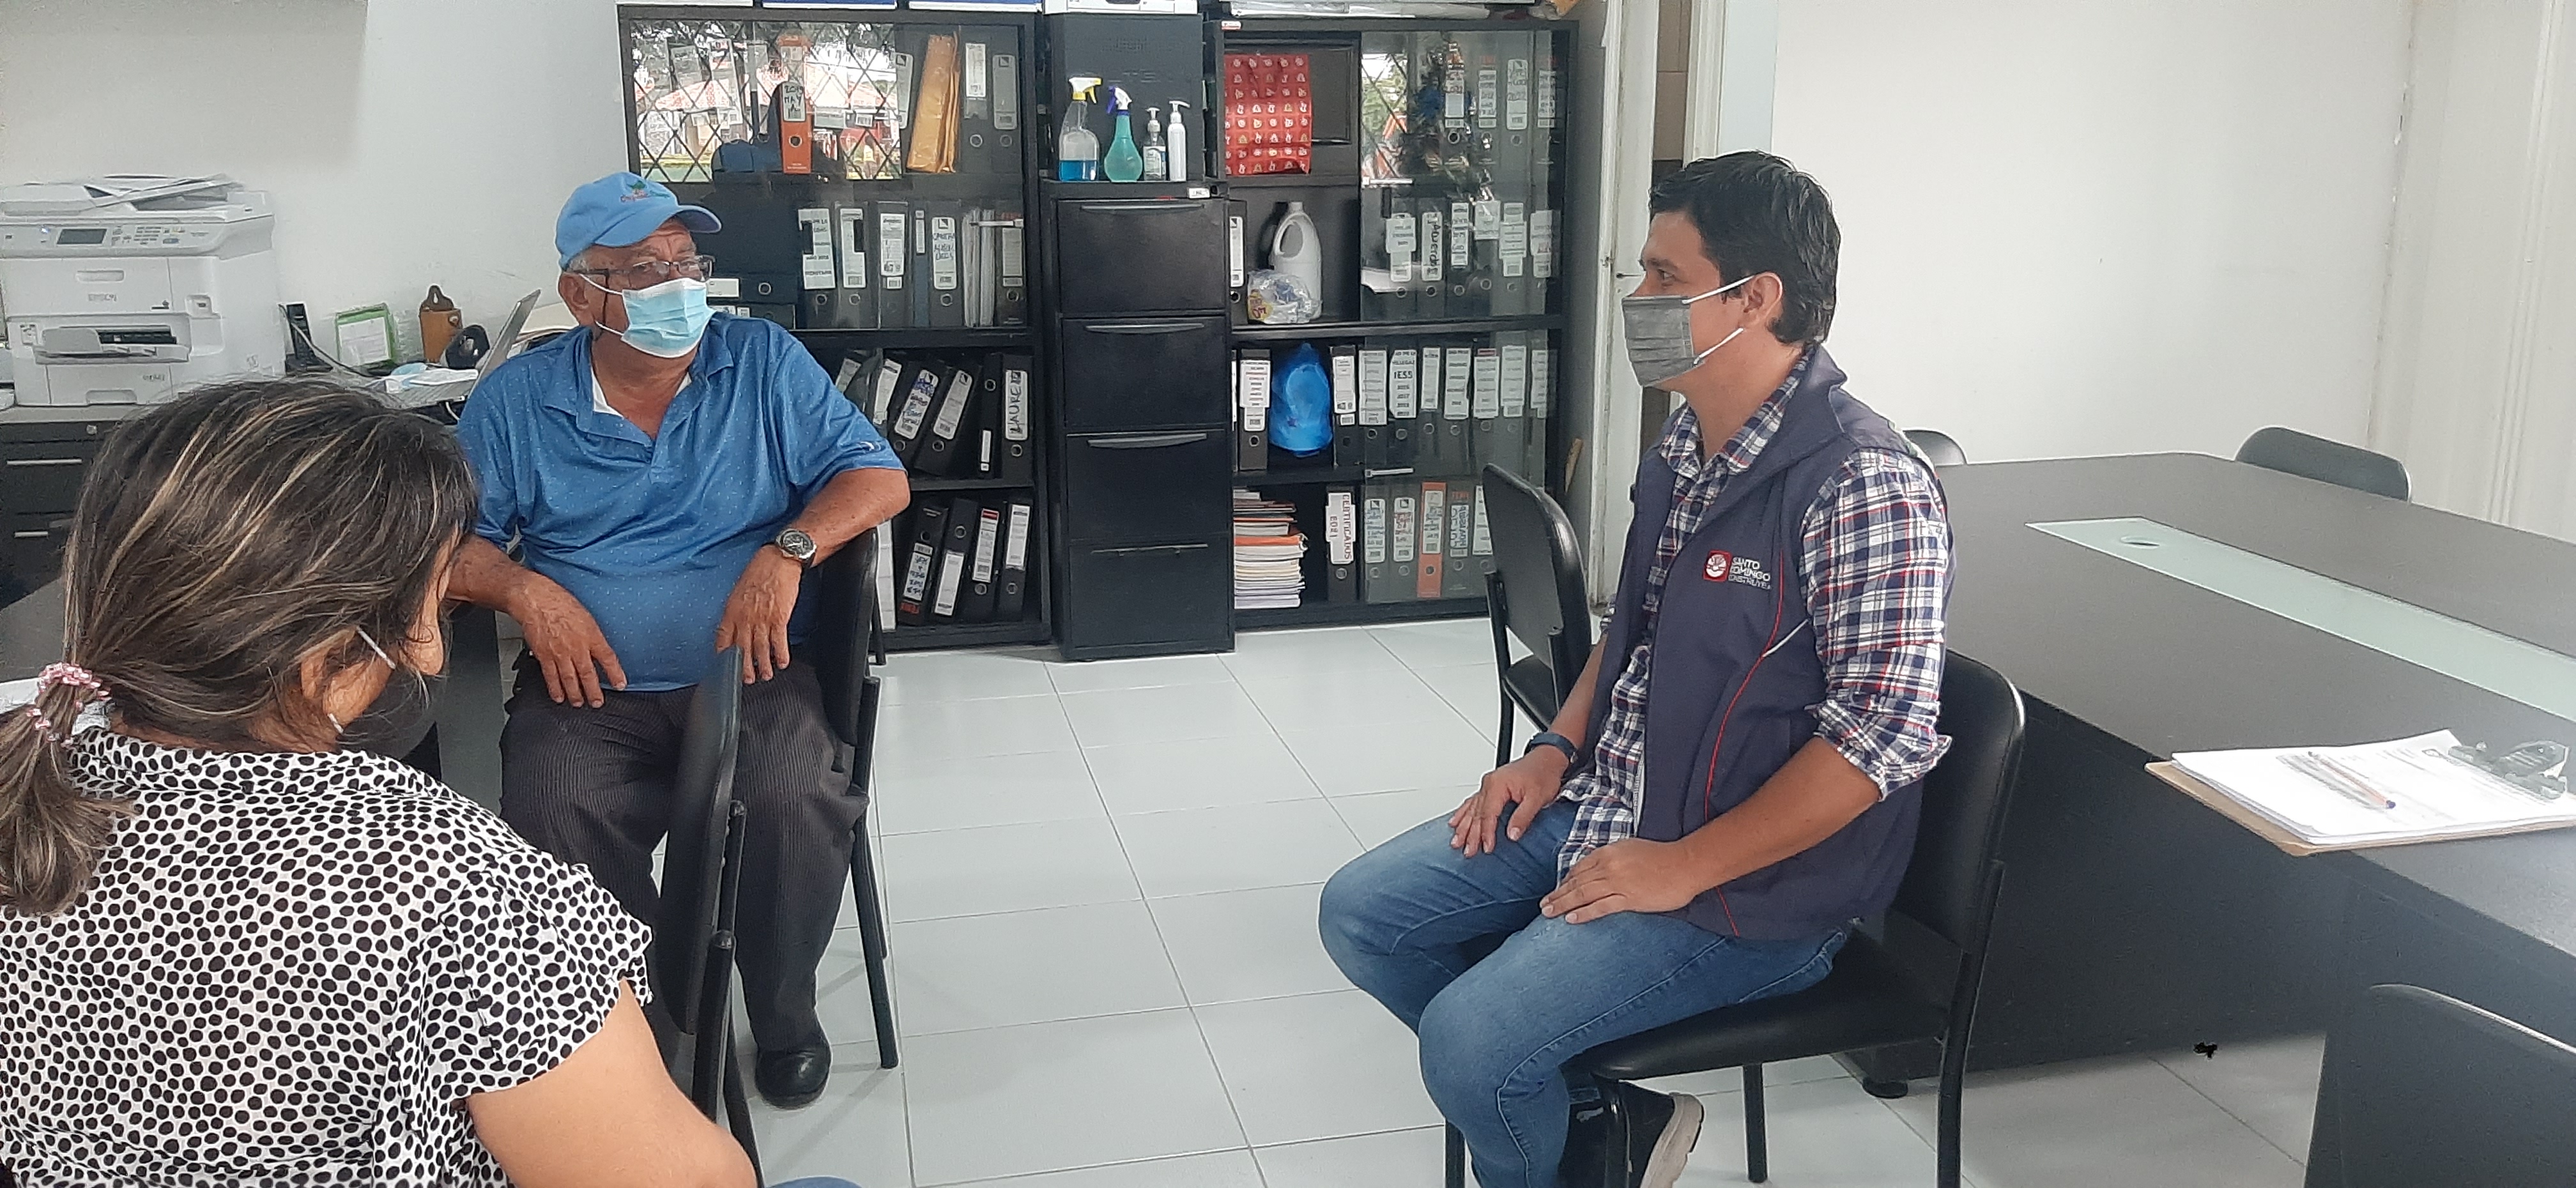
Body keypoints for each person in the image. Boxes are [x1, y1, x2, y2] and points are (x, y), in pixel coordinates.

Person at [1318, 151, 1954, 1188]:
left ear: (1754, 298)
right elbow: (1633, 638)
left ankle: (1546, 1112)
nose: (1639, 299)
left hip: (1750, 888)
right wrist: (1552, 750)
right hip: (1609, 802)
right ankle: (1599, 1122)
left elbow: (1877, 744)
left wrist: (1684, 866)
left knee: (1470, 1044)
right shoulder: (1685, 445)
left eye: (1666, 276)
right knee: (1362, 916)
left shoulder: (1865, 484)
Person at [0, 380, 755, 1187]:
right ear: (338, 645)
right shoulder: (444, 880)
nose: (430, 648)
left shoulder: (29, 787)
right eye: (430, 600)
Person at [448, 172, 910, 1109]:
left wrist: (788, 552)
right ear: (582, 296)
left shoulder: (761, 360)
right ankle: (641, 1031)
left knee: (790, 799)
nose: (678, 286)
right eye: (643, 270)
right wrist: (526, 590)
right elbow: (452, 547)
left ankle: (782, 1013)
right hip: (590, 689)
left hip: (752, 671)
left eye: (687, 263)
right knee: (551, 814)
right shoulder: (517, 402)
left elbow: (878, 477)